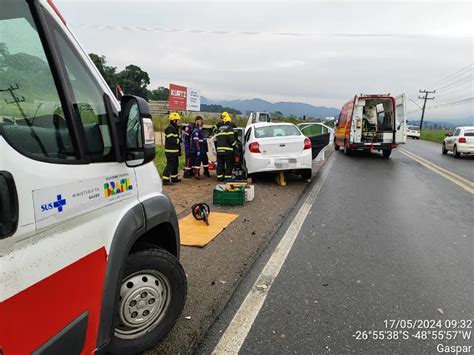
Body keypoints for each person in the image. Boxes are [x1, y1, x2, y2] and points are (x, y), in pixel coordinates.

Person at [215, 112, 235, 181]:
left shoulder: (219, 129)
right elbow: (231, 139)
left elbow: (216, 139)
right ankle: (227, 177)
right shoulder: (229, 128)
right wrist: (235, 145)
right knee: (229, 164)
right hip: (227, 150)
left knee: (220, 164)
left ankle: (220, 177)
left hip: (219, 150)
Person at [162, 112, 181, 186]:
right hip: (170, 152)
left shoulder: (174, 128)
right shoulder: (170, 128)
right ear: (174, 121)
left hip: (175, 151)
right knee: (170, 165)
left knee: (175, 165)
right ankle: (165, 180)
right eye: (177, 120)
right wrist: (179, 140)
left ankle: (174, 178)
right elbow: (171, 140)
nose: (178, 122)